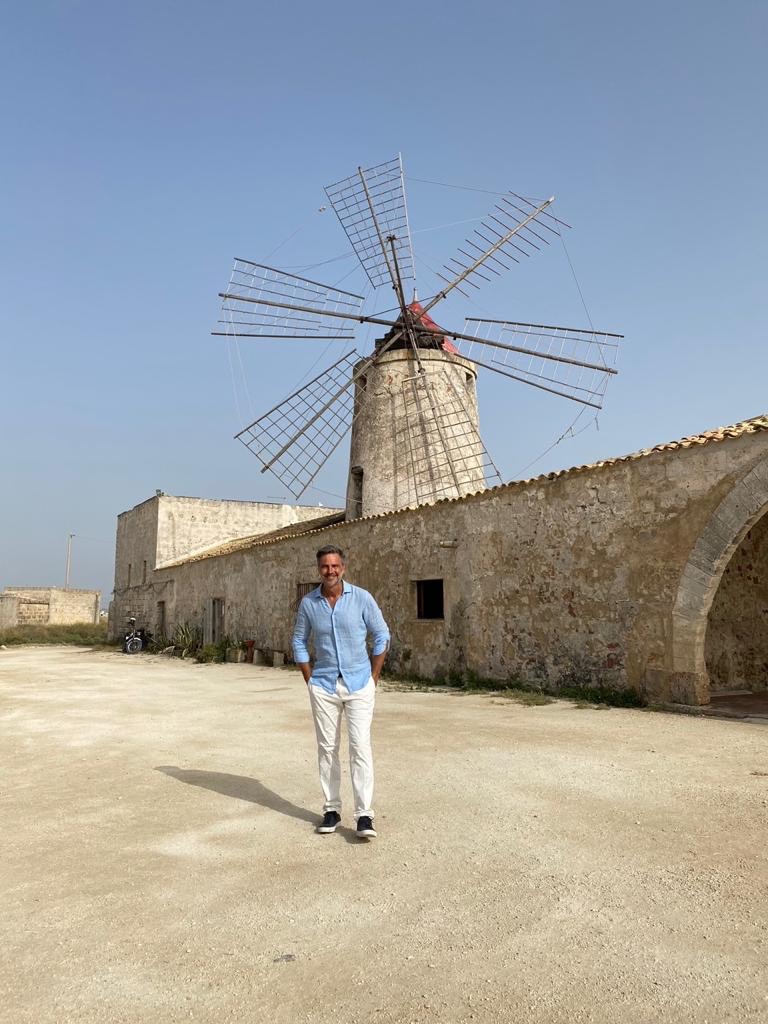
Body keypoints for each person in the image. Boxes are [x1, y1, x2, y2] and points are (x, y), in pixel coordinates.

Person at [292, 545, 389, 839]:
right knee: (327, 749)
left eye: (335, 566)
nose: (330, 571)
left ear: (343, 568)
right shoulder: (309, 604)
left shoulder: (361, 598)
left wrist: (374, 676)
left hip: (360, 683)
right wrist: (310, 680)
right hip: (323, 685)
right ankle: (331, 810)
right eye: (325, 567)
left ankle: (364, 815)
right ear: (318, 569)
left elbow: (382, 634)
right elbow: (298, 641)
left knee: (360, 746)